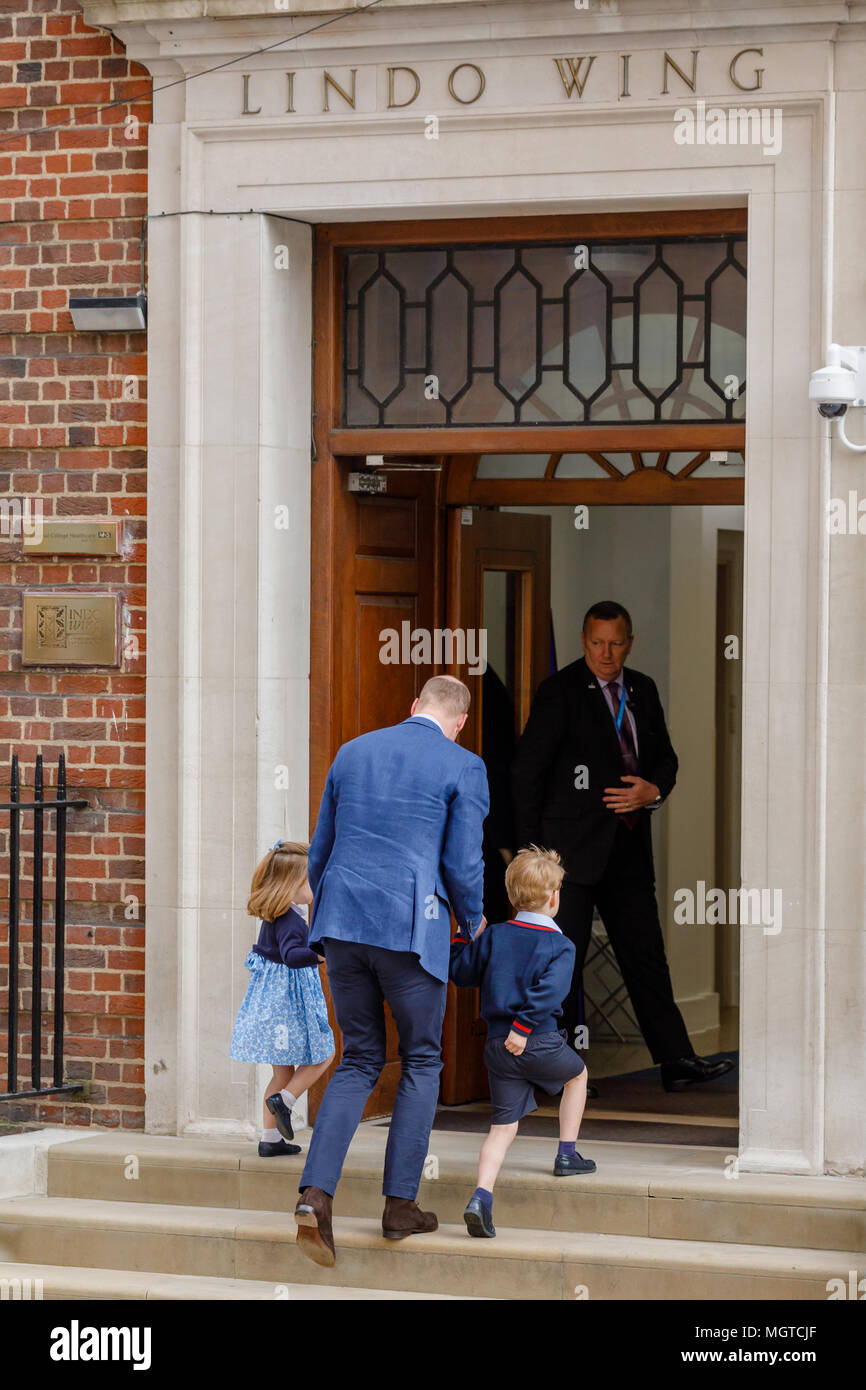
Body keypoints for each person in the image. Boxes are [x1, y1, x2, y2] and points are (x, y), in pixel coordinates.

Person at [293, 675, 488, 1267]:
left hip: (343, 922)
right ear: (458, 722)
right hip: (411, 928)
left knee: (359, 1058)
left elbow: (320, 848)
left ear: (413, 708)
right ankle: (400, 1205)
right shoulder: (464, 764)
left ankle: (314, 1195)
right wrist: (474, 918)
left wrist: (323, 917)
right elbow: (462, 861)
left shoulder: (353, 752)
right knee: (423, 1058)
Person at [511, 601, 733, 1093]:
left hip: (629, 851)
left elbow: (666, 759)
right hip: (568, 856)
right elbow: (527, 773)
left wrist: (652, 789)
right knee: (561, 962)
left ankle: (676, 1059)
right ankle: (554, 1068)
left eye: (615, 643)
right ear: (583, 641)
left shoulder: (643, 688)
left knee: (646, 956)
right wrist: (531, 854)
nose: (606, 653)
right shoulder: (560, 691)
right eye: (597, 643)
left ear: (629, 642)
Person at [450, 845, 595, 1239]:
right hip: (536, 1039)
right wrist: (525, 1027)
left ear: (512, 897)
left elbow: (461, 975)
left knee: (502, 1127)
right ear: (554, 897)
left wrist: (468, 938)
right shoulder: (560, 945)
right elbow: (551, 991)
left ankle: (482, 1196)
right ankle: (567, 1154)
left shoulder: (495, 935)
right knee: (578, 1076)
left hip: (497, 1046)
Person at [229, 841, 336, 1157]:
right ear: (292, 884)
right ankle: (286, 1101)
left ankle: (270, 1138)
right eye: (310, 879)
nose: (315, 884)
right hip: (289, 1003)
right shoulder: (291, 919)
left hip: (272, 1003)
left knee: (282, 1072)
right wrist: (320, 953)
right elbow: (292, 956)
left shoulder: (276, 915)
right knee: (324, 1054)